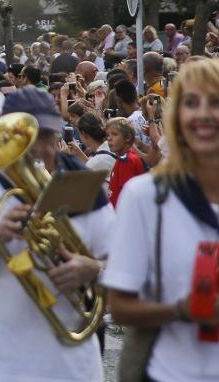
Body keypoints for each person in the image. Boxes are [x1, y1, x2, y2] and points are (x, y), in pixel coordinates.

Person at [0, 87, 114, 382]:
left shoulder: (83, 183)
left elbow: (125, 272)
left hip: (74, 368)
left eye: (46, 137)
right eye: (25, 139)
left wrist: (93, 269)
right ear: (3, 138)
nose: (37, 149)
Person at [104, 58, 219, 382]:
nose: (203, 114)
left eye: (216, 102)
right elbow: (121, 306)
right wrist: (181, 309)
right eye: (191, 102)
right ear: (177, 117)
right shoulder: (146, 197)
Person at [103, 117, 148, 207]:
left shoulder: (127, 161)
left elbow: (127, 196)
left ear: (128, 137)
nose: (109, 139)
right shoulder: (122, 159)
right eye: (108, 135)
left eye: (114, 134)